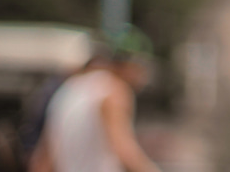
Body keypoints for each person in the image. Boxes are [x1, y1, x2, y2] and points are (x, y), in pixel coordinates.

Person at [29, 46, 160, 172]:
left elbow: (44, 157)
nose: (143, 78)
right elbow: (123, 149)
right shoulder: (113, 90)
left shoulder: (68, 89)